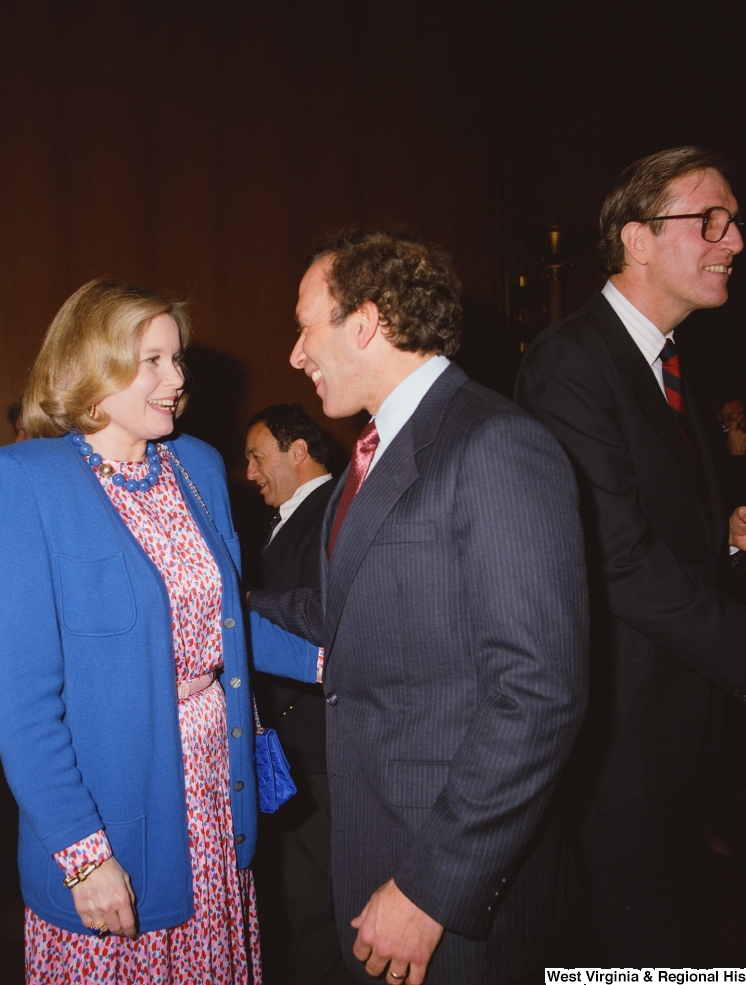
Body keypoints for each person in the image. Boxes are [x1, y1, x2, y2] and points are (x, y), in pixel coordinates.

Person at [249, 230, 589, 984]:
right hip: (378, 848)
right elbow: (340, 611)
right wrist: (211, 601)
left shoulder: (496, 443)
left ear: (365, 323)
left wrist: (433, 887)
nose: (296, 355)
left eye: (306, 327)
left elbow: (539, 694)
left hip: (448, 886)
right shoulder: (372, 456)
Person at [514, 146, 746, 964]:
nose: (735, 242)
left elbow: (649, 525)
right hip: (617, 742)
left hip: (674, 731)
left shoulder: (667, 357)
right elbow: (617, 565)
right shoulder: (569, 364)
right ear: (636, 238)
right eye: (709, 222)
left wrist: (729, 529)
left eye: (737, 224)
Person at [0, 280, 320, 984]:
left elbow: (224, 623)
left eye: (177, 358)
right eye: (152, 360)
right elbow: (22, 703)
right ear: (92, 365)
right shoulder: (23, 479)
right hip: (112, 814)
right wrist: (84, 853)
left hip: (214, 800)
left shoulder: (194, 466)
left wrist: (333, 658)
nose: (178, 378)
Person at [244, 404, 349, 984]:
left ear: (298, 451)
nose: (251, 473)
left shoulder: (331, 513)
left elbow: (324, 623)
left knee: (315, 905)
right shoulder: (291, 516)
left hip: (317, 744)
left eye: (259, 457)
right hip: (296, 741)